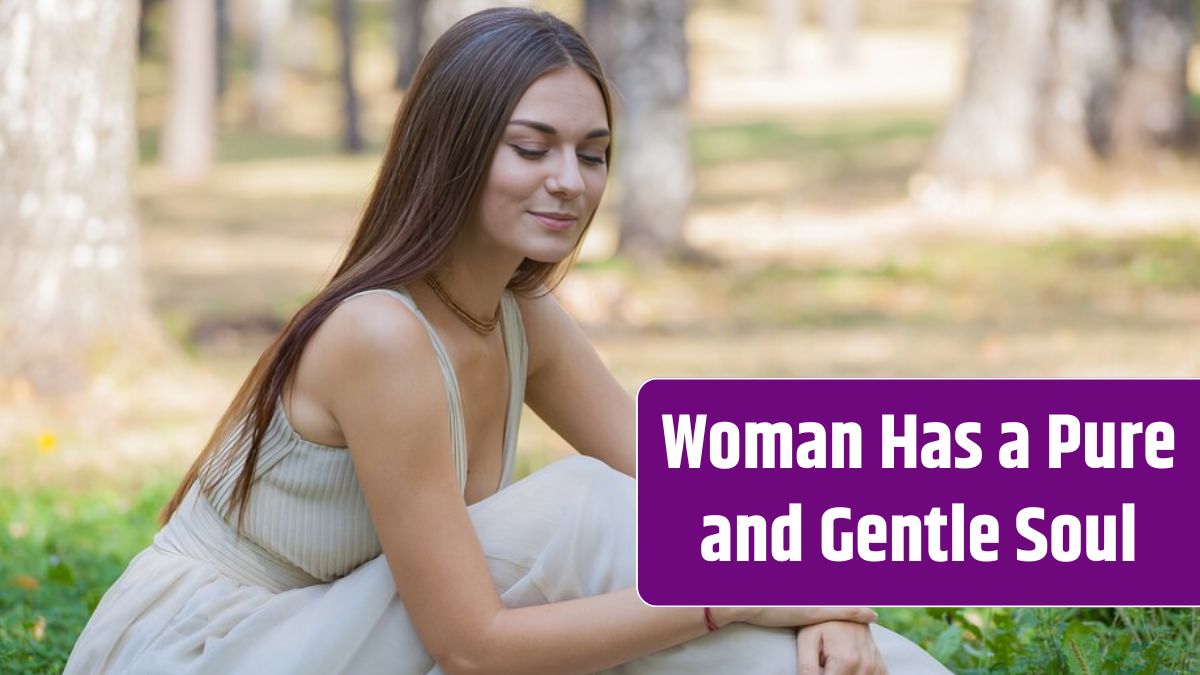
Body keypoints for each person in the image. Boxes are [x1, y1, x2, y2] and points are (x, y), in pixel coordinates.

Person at [65, 8, 950, 675]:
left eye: (593, 153)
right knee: (582, 510)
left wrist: (834, 604)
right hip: (213, 648)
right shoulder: (379, 334)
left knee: (625, 527)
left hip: (351, 632)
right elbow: (474, 646)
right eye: (532, 147)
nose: (570, 182)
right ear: (452, 150)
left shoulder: (520, 316)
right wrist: (732, 596)